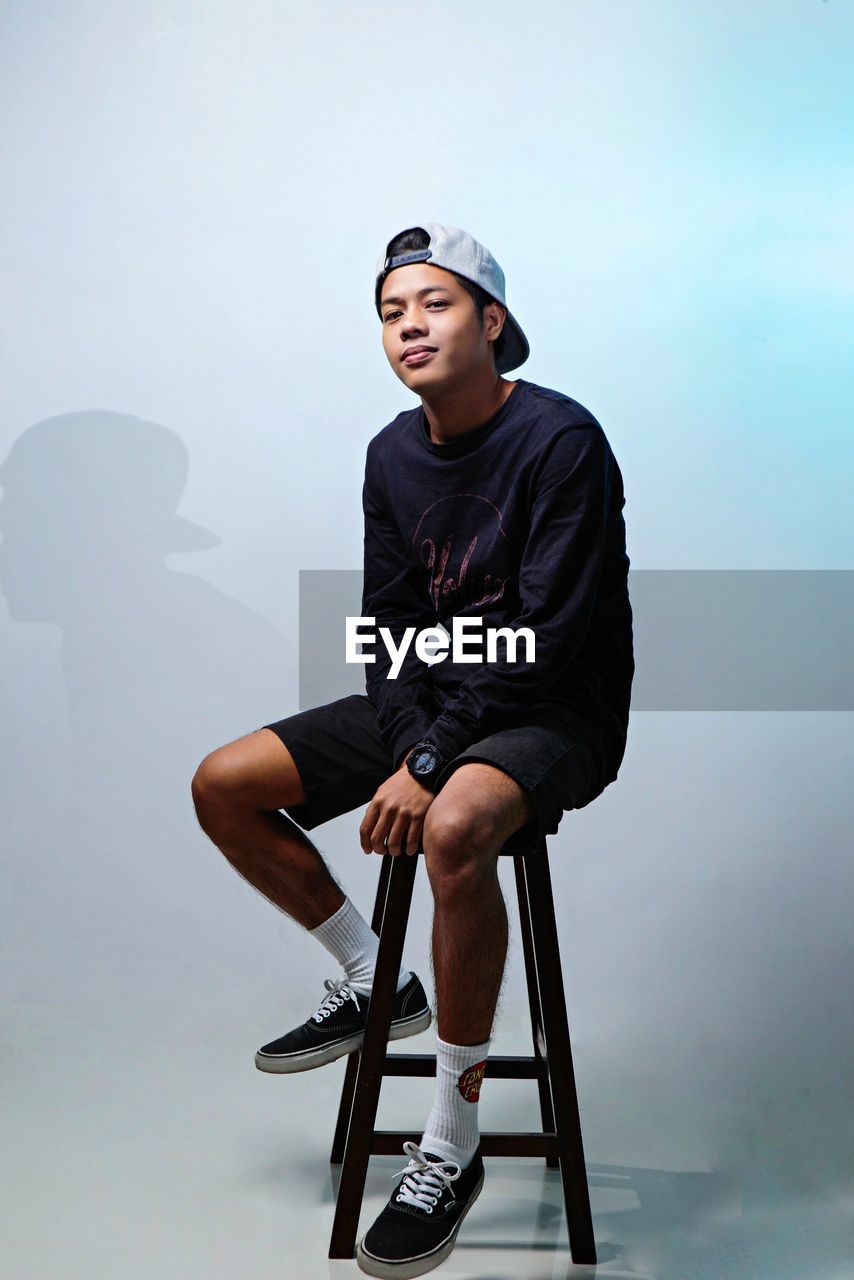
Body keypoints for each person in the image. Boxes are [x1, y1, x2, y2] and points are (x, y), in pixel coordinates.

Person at [191, 221, 634, 1278]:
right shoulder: (390, 451)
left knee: (452, 824)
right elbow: (387, 622)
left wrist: (428, 763)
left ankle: (450, 1138)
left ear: (489, 319)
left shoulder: (561, 440)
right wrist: (410, 739)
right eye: (390, 313)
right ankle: (369, 977)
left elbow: (547, 636)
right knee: (224, 784)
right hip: (433, 704)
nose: (408, 327)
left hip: (551, 710)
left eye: (432, 304)